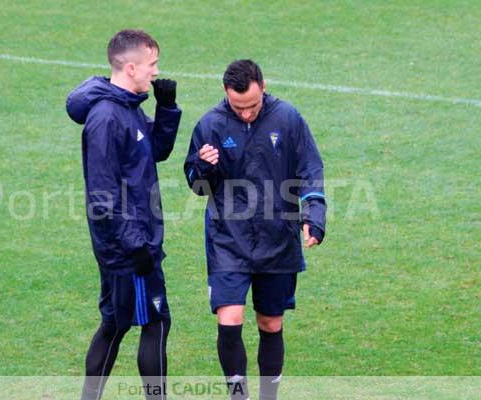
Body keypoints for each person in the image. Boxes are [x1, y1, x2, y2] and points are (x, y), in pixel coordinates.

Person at [183, 59, 326, 400]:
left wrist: (314, 214)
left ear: (263, 86)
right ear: (225, 94)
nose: (246, 113)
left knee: (270, 324)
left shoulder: (288, 119)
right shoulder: (211, 124)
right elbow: (198, 186)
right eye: (238, 107)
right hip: (227, 238)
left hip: (277, 237)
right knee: (229, 321)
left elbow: (310, 169)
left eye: (252, 105)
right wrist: (203, 167)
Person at [66, 29, 182, 400]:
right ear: (130, 67)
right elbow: (102, 194)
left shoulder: (128, 107)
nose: (156, 71)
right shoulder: (106, 118)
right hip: (129, 246)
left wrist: (166, 109)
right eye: (152, 65)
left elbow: (155, 151)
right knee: (155, 322)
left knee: (115, 323)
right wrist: (137, 247)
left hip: (133, 240)